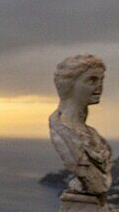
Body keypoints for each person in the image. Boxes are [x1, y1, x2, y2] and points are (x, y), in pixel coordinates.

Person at [48, 54, 112, 197]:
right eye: (92, 80)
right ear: (69, 84)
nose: (100, 87)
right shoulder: (63, 129)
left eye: (101, 80)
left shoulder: (92, 134)